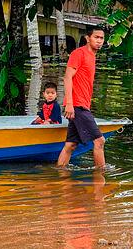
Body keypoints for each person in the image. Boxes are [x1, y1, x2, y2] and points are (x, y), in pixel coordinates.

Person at [57, 26, 106, 168]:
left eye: (101, 38)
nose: (99, 41)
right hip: (77, 105)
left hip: (82, 105)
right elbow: (67, 77)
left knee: (71, 145)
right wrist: (70, 104)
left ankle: (60, 172)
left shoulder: (92, 56)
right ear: (87, 38)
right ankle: (100, 177)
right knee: (99, 141)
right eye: (96, 37)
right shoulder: (79, 54)